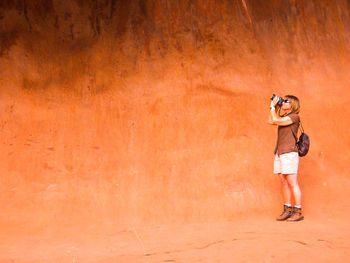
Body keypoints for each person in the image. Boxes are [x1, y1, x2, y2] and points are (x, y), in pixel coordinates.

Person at [268, 95, 304, 221]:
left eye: (286, 101)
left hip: (289, 152)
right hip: (280, 152)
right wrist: (275, 107)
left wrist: (273, 107)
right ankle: (287, 209)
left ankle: (298, 211)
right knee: (283, 182)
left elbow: (276, 121)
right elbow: (271, 120)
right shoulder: (283, 116)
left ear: (293, 104)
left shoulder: (294, 117)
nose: (283, 102)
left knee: (292, 182)